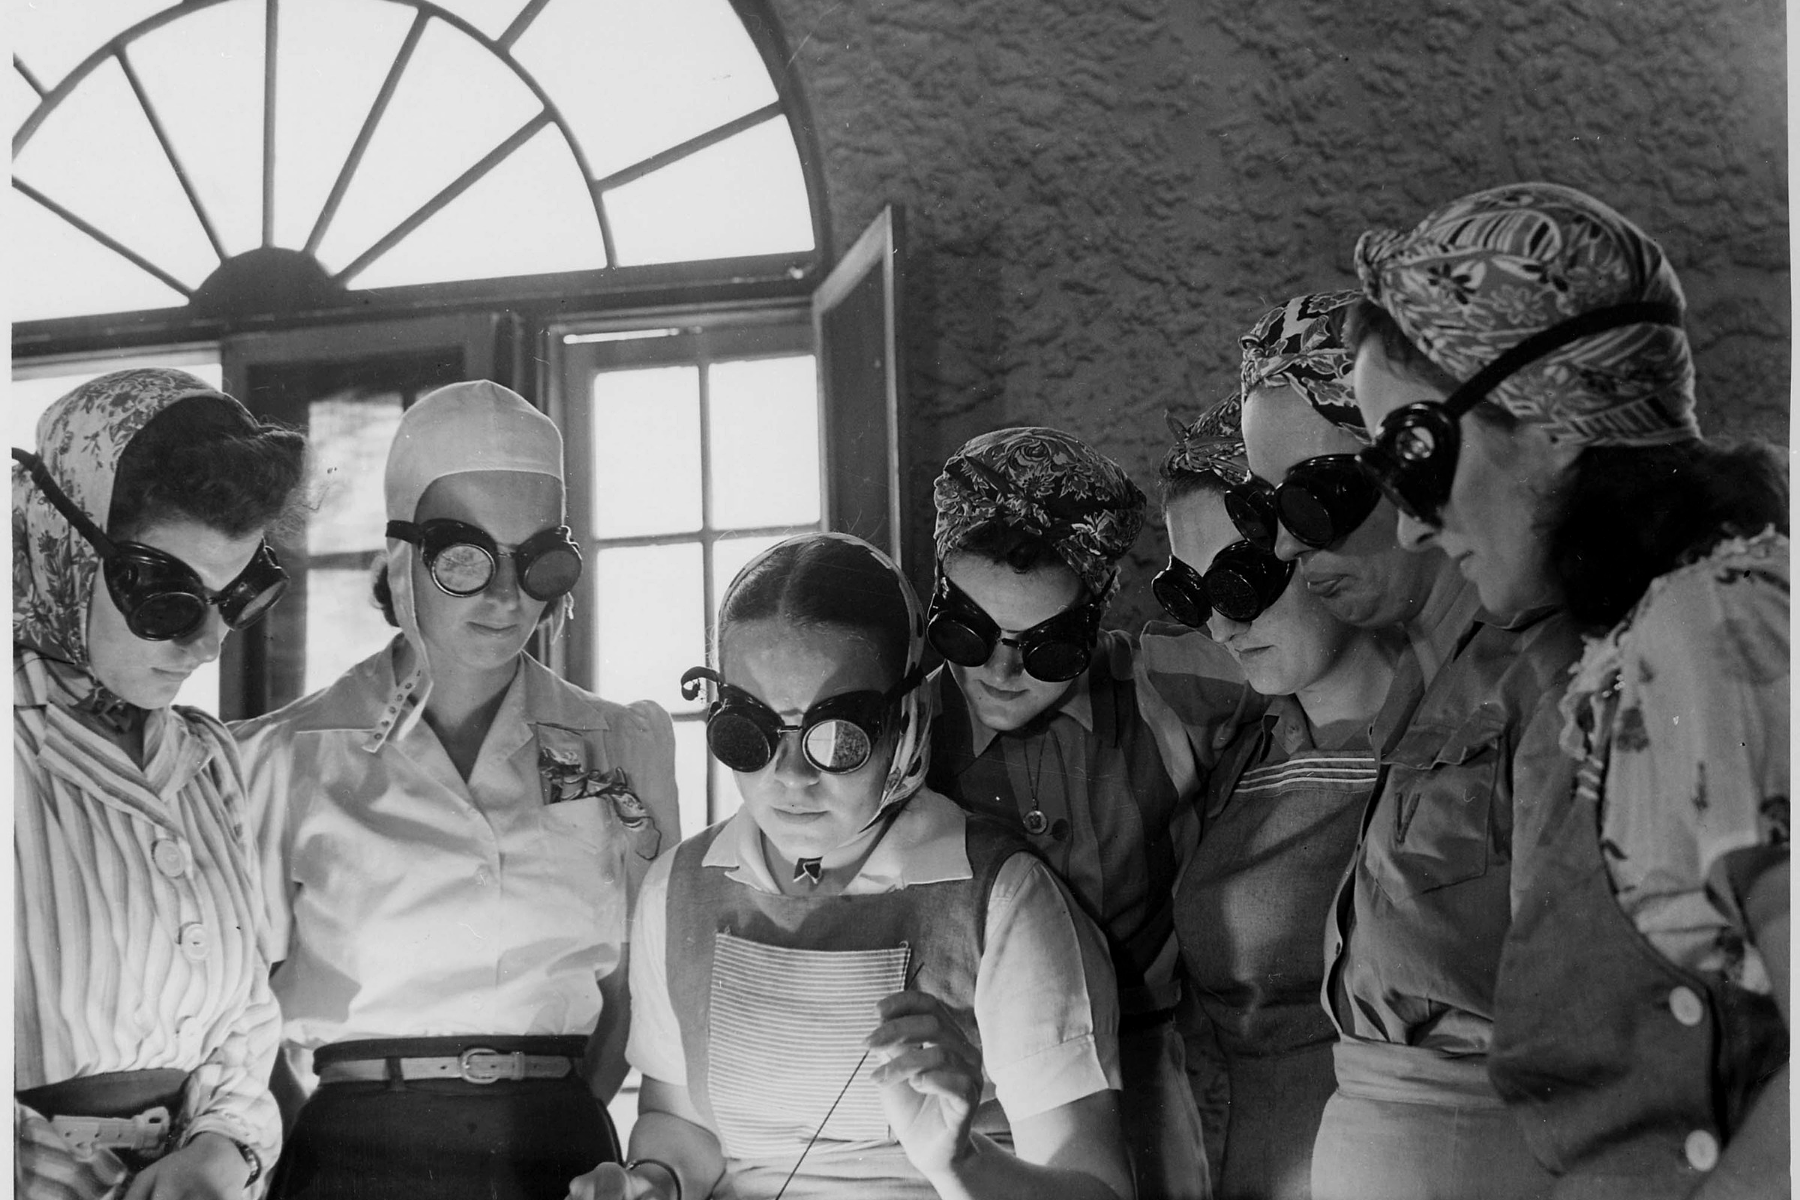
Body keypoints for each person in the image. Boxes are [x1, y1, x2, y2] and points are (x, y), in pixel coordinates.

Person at [1349, 181, 1789, 1199]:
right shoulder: (1611, 669)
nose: (1409, 525)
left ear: (1552, 419)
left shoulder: (1713, 628)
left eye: (1414, 456)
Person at [571, 532, 1132, 1200]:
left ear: (906, 720)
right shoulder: (681, 887)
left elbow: (1097, 1189)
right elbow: (677, 1123)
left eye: (837, 737)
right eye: (749, 733)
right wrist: (654, 1182)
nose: (790, 779)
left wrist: (964, 1164)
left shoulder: (1000, 898)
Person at [235, 381, 678, 1198]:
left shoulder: (624, 746)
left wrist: (568, 1113)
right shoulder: (281, 758)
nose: (508, 597)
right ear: (403, 555)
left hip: (557, 1146)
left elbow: (636, 996)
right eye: (466, 558)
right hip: (354, 1152)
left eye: (539, 559)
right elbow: (241, 1015)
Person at [1236, 291, 1579, 1200]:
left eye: (1316, 498)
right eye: (1262, 506)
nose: (1280, 543)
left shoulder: (1543, 677)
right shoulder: (1422, 692)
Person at [924, 426, 1243, 1200]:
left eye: (1045, 649)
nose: (999, 671)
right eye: (968, 630)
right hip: (971, 1102)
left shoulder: (1170, 689)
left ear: (1096, 620)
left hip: (1153, 1085)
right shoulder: (902, 735)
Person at [14, 368, 307, 1198]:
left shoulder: (209, 766)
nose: (210, 642)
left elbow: (246, 1029)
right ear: (62, 547)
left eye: (239, 597)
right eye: (168, 599)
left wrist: (223, 1151)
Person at [1153, 395, 1395, 1200]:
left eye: (1243, 579)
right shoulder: (1236, 750)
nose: (1218, 626)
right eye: (1192, 593)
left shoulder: (1456, 745)